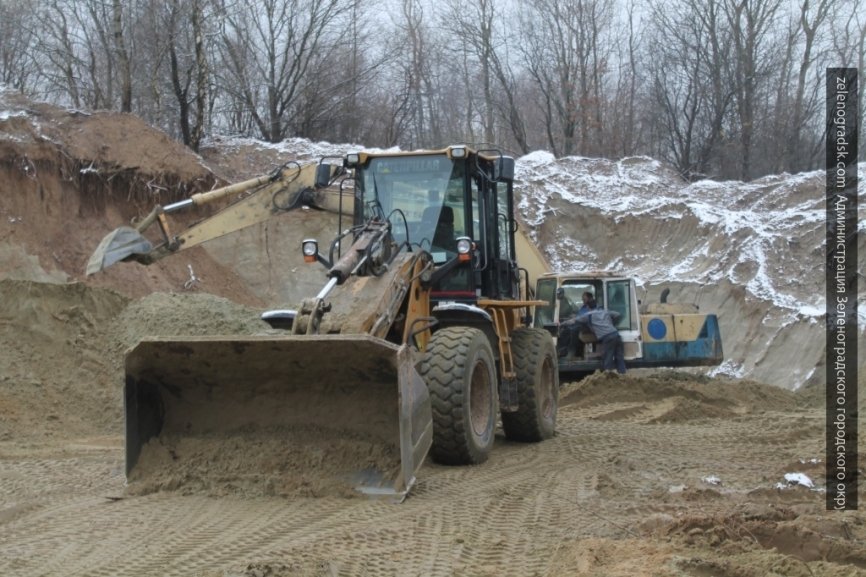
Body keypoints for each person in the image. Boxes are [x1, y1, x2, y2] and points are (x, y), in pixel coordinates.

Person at [572, 298, 626, 374]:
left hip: (608, 338)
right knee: (619, 358)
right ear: (597, 305)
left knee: (607, 359)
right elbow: (618, 314)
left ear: (588, 307)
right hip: (616, 335)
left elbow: (574, 321)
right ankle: (623, 377)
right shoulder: (605, 312)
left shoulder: (588, 315)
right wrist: (612, 323)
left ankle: (607, 379)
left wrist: (561, 324)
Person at [557, 291, 594, 359]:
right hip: (580, 323)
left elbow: (580, 319)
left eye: (584, 299)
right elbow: (579, 316)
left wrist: (563, 323)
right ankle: (562, 350)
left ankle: (572, 351)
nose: (583, 301)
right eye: (582, 299)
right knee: (565, 330)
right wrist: (574, 316)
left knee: (572, 330)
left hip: (587, 326)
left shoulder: (591, 307)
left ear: (590, 299)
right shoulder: (584, 306)